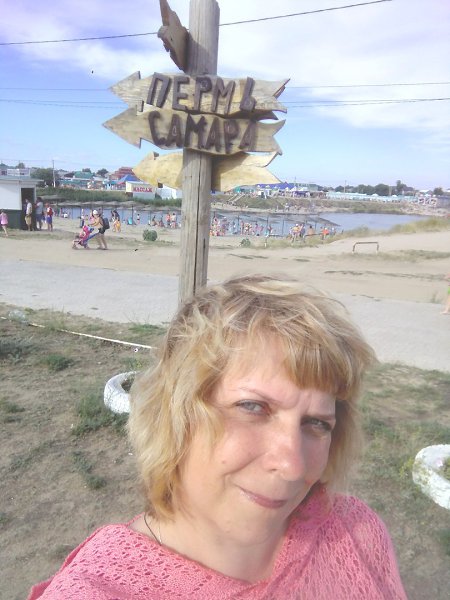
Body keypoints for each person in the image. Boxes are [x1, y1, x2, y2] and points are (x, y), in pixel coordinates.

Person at [28, 275, 407, 599]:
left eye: (317, 424)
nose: (293, 465)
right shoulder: (97, 590)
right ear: (173, 415)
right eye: (252, 407)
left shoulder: (354, 530)